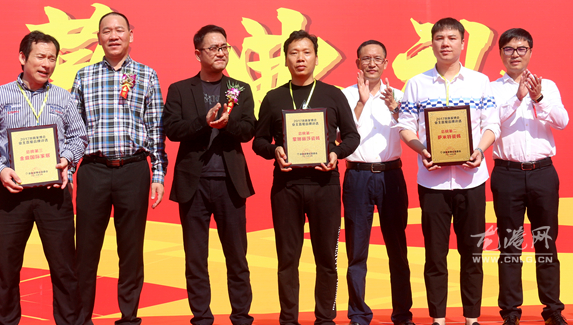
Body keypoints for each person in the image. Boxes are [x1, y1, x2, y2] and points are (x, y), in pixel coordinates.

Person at [0, 31, 87, 325]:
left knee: (65, 270)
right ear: (23, 57)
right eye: (40, 56)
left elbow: (79, 137)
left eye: (52, 58)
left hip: (55, 194)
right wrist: (0, 169)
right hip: (12, 194)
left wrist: (67, 160)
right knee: (7, 270)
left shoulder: (63, 97)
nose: (46, 64)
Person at [396, 18, 500, 325]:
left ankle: (471, 318)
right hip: (432, 183)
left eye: (452, 38)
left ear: (462, 43)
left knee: (472, 254)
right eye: (439, 38)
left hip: (472, 181)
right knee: (435, 256)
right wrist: (422, 150)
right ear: (431, 43)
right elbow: (405, 126)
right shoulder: (416, 84)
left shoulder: (480, 82)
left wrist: (479, 150)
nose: (445, 43)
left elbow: (492, 124)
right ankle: (438, 319)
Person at [253, 30, 360, 325]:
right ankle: (288, 319)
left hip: (325, 185)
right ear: (285, 59)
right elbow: (258, 141)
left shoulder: (333, 95)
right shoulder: (273, 98)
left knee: (327, 259)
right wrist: (274, 150)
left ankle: (325, 318)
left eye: (306, 52)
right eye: (294, 53)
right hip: (286, 186)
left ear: (316, 58)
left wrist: (336, 153)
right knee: (287, 259)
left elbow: (352, 136)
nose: (300, 58)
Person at [71, 12, 168, 325]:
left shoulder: (146, 75)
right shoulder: (83, 76)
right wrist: (68, 170)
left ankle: (128, 317)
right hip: (93, 170)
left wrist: (158, 174)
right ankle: (81, 318)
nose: (113, 36)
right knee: (86, 250)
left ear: (131, 35)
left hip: (133, 170)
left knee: (131, 249)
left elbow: (156, 129)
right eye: (106, 31)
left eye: (119, 30)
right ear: (98, 38)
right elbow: (73, 129)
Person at [162, 24, 255, 325]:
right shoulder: (179, 89)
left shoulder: (240, 88)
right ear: (198, 53)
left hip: (230, 184)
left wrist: (227, 124)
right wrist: (203, 124)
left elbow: (249, 130)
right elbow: (172, 129)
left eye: (224, 47)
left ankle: (241, 317)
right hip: (194, 184)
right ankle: (201, 318)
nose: (221, 53)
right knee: (195, 258)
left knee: (237, 257)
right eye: (214, 48)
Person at [490, 28, 568, 325]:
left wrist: (539, 98)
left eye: (521, 48)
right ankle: (510, 312)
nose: (515, 54)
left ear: (530, 52)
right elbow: (490, 124)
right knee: (509, 244)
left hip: (542, 173)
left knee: (546, 242)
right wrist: (517, 97)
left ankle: (552, 310)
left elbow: (562, 121)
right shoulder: (492, 89)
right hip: (507, 173)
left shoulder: (547, 85)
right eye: (509, 49)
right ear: (501, 53)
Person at [341, 40, 414, 325]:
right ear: (357, 63)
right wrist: (361, 103)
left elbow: (413, 131)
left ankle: (402, 314)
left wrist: (396, 109)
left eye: (377, 59)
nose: (371, 63)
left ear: (386, 63)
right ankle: (358, 315)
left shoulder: (399, 95)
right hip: (357, 176)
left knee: (397, 249)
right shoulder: (346, 95)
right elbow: (339, 135)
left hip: (390, 175)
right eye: (366, 59)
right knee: (356, 250)